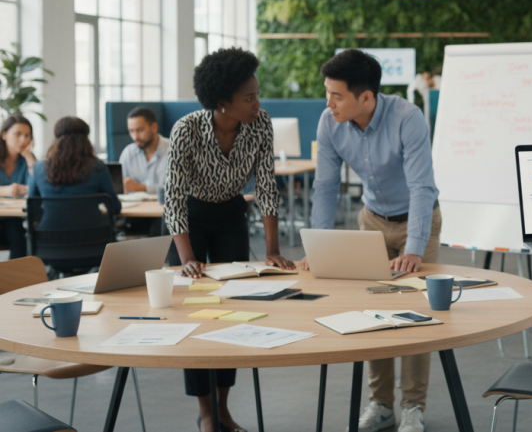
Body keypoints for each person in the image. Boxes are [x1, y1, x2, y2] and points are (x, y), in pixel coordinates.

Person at [301, 49, 440, 432]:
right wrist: (318, 243)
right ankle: (381, 404)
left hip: (417, 220)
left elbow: (422, 187)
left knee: (415, 314)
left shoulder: (407, 118)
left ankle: (413, 407)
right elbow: (326, 186)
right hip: (373, 220)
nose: (328, 103)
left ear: (366, 97)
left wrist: (413, 248)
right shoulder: (330, 123)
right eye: (327, 93)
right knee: (375, 312)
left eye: (336, 95)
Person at [164, 47, 295, 432]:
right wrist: (187, 258)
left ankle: (223, 408)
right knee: (194, 314)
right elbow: (173, 197)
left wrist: (273, 250)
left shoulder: (260, 124)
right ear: (222, 102)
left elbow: (266, 185)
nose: (258, 104)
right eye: (249, 97)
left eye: (257, 95)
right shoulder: (186, 129)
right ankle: (205, 412)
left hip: (230, 216)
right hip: (190, 221)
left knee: (233, 310)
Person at [29, 116, 120, 213]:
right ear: (86, 141)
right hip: (89, 223)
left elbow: (31, 207)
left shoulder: (39, 168)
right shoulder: (97, 167)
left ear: (56, 140)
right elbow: (115, 207)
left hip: (49, 222)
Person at [119, 106, 169, 236]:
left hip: (164, 213)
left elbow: (175, 188)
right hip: (136, 212)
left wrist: (142, 187)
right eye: (131, 131)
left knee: (158, 229)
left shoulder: (173, 150)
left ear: (154, 127)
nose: (135, 136)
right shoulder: (128, 153)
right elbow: (121, 186)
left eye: (140, 130)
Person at [0, 115, 35, 258]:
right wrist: (6, 190)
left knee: (18, 229)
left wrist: (29, 157)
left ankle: (15, 271)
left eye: (27, 135)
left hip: (15, 219)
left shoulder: (27, 160)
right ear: (4, 135)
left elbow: (37, 187)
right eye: (18, 134)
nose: (23, 140)